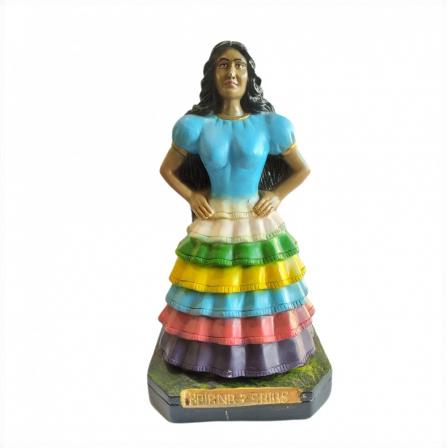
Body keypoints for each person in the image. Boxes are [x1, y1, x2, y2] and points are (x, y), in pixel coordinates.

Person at [156, 41, 316, 378]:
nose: (231, 72)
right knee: (215, 289)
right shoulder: (195, 126)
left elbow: (301, 169)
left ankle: (266, 353)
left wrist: (277, 195)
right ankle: (211, 354)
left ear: (249, 76)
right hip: (215, 219)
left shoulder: (270, 125)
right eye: (223, 65)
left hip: (256, 218)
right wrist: (191, 196)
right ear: (212, 75)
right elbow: (167, 169)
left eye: (239, 65)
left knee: (262, 289)